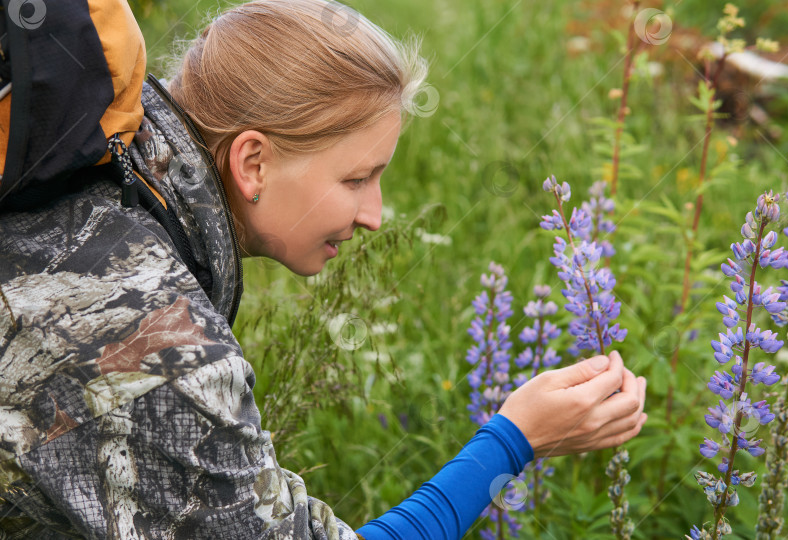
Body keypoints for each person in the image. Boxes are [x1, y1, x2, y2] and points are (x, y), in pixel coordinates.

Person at [0, 0, 647, 538]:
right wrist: (512, 441)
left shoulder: (101, 175)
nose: (375, 214)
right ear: (252, 163)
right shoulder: (152, 337)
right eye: (357, 178)